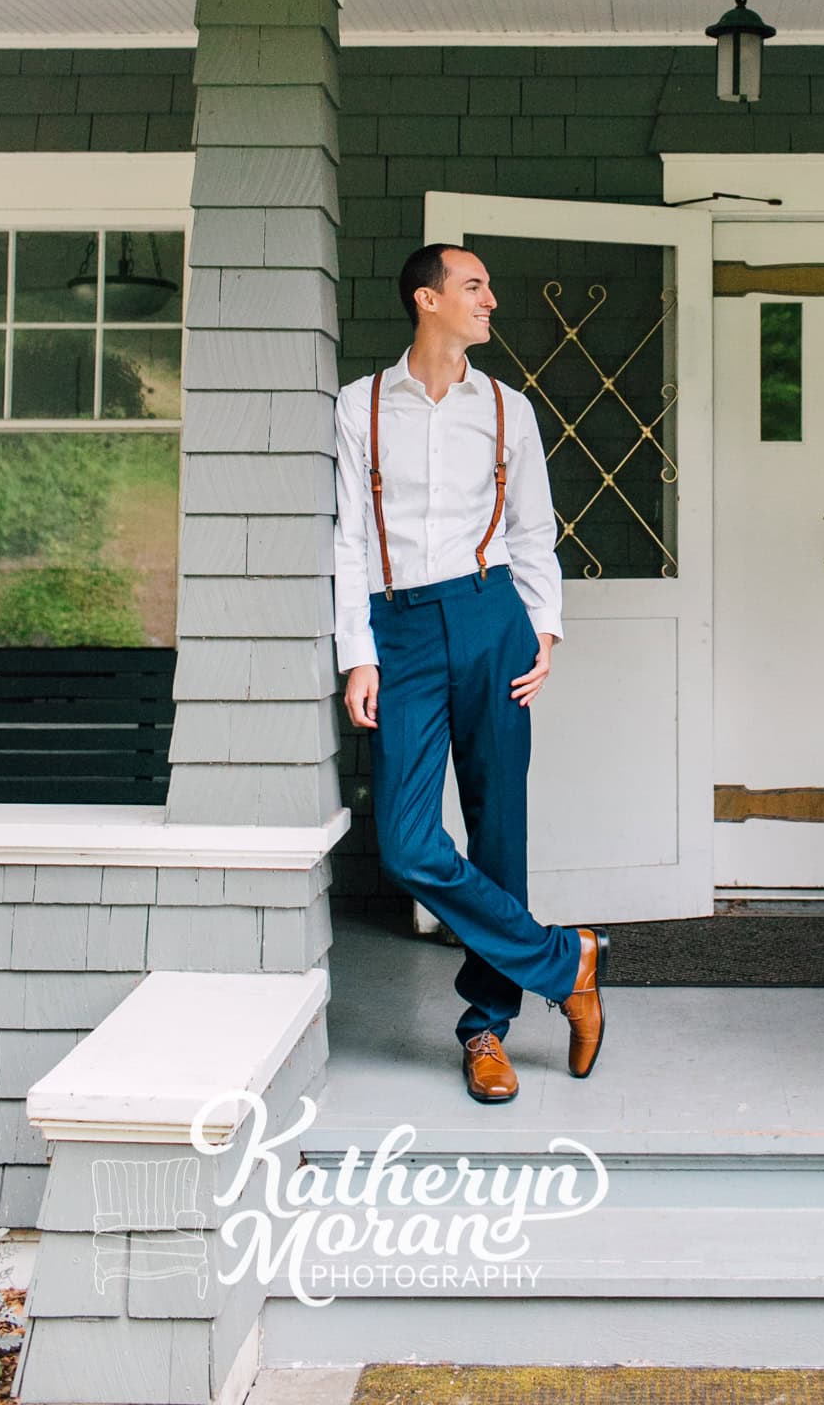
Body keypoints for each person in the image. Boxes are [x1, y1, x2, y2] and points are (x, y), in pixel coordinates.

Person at [334, 242, 607, 1106]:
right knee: (410, 843)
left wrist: (545, 632)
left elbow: (534, 530)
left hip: (493, 619)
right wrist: (358, 652)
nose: (491, 300)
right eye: (475, 286)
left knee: (498, 828)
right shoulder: (360, 406)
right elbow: (346, 540)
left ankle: (485, 1026)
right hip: (401, 629)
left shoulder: (507, 408)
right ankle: (567, 962)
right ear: (427, 299)